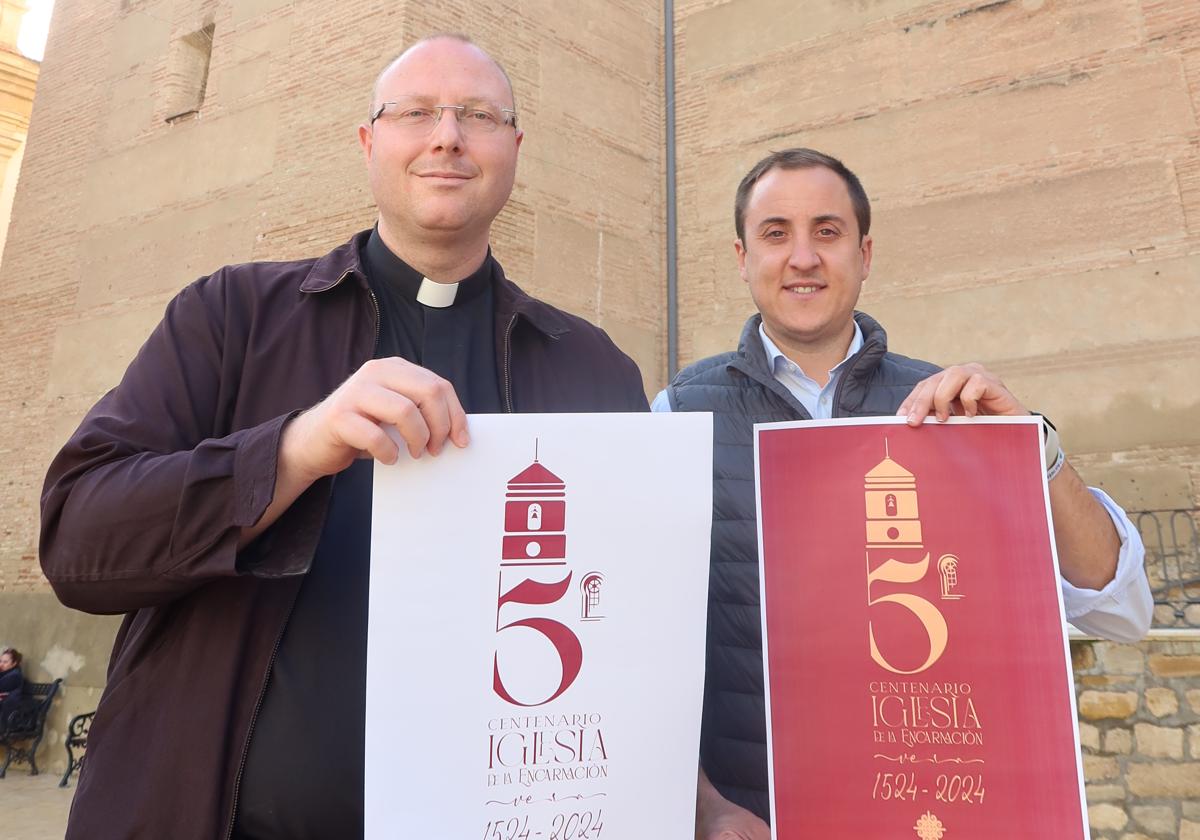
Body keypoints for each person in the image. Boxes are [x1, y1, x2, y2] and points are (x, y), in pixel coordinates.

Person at [40, 34, 645, 839]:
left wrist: (696, 789)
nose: (447, 136)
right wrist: (295, 448)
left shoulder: (592, 368)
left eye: (479, 115)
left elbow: (636, 624)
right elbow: (79, 544)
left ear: (515, 149)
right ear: (368, 143)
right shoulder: (233, 317)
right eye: (415, 113)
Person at [652, 148, 1154, 838]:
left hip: (931, 813)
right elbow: (647, 650)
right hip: (755, 817)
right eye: (776, 234)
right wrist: (706, 808)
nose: (802, 257)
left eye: (826, 232)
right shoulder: (677, 413)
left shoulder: (956, 410)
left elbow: (1119, 611)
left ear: (865, 252)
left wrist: (1037, 449)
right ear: (742, 257)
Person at [0, 648, 24, 730]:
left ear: (14, 663)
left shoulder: (14, 676)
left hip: (7, 718)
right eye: (0, 661)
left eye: (5, 662)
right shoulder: (5, 674)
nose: (1, 664)